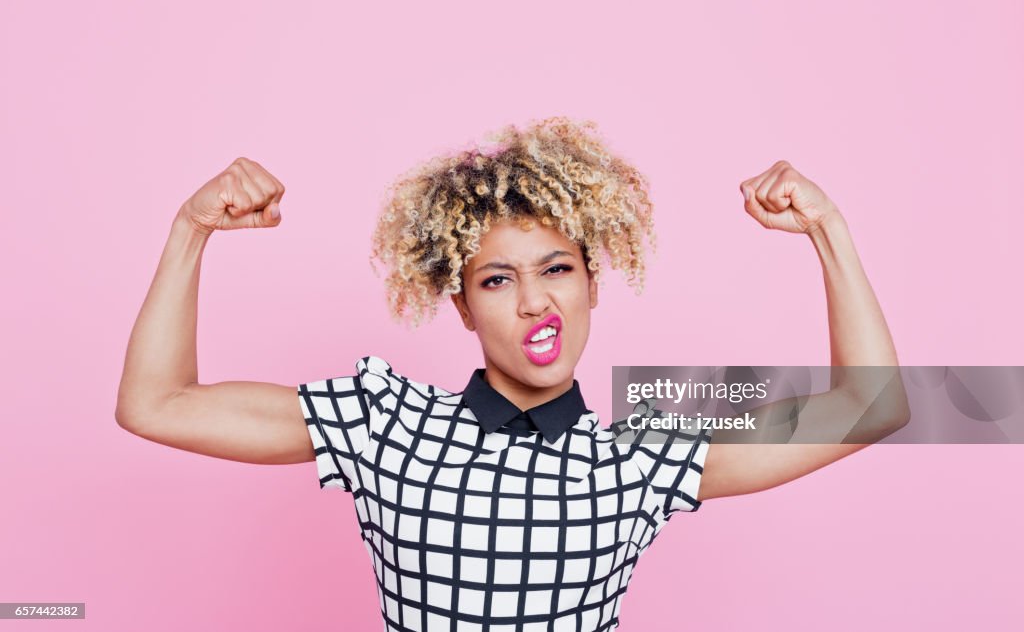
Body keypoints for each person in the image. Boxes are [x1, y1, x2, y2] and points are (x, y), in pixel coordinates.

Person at [116, 117, 910, 631]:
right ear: (461, 307)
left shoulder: (643, 452)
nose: (535, 302)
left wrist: (827, 229)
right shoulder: (384, 424)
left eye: (557, 268)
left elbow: (871, 408)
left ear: (593, 284)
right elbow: (157, 405)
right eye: (497, 280)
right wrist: (191, 230)